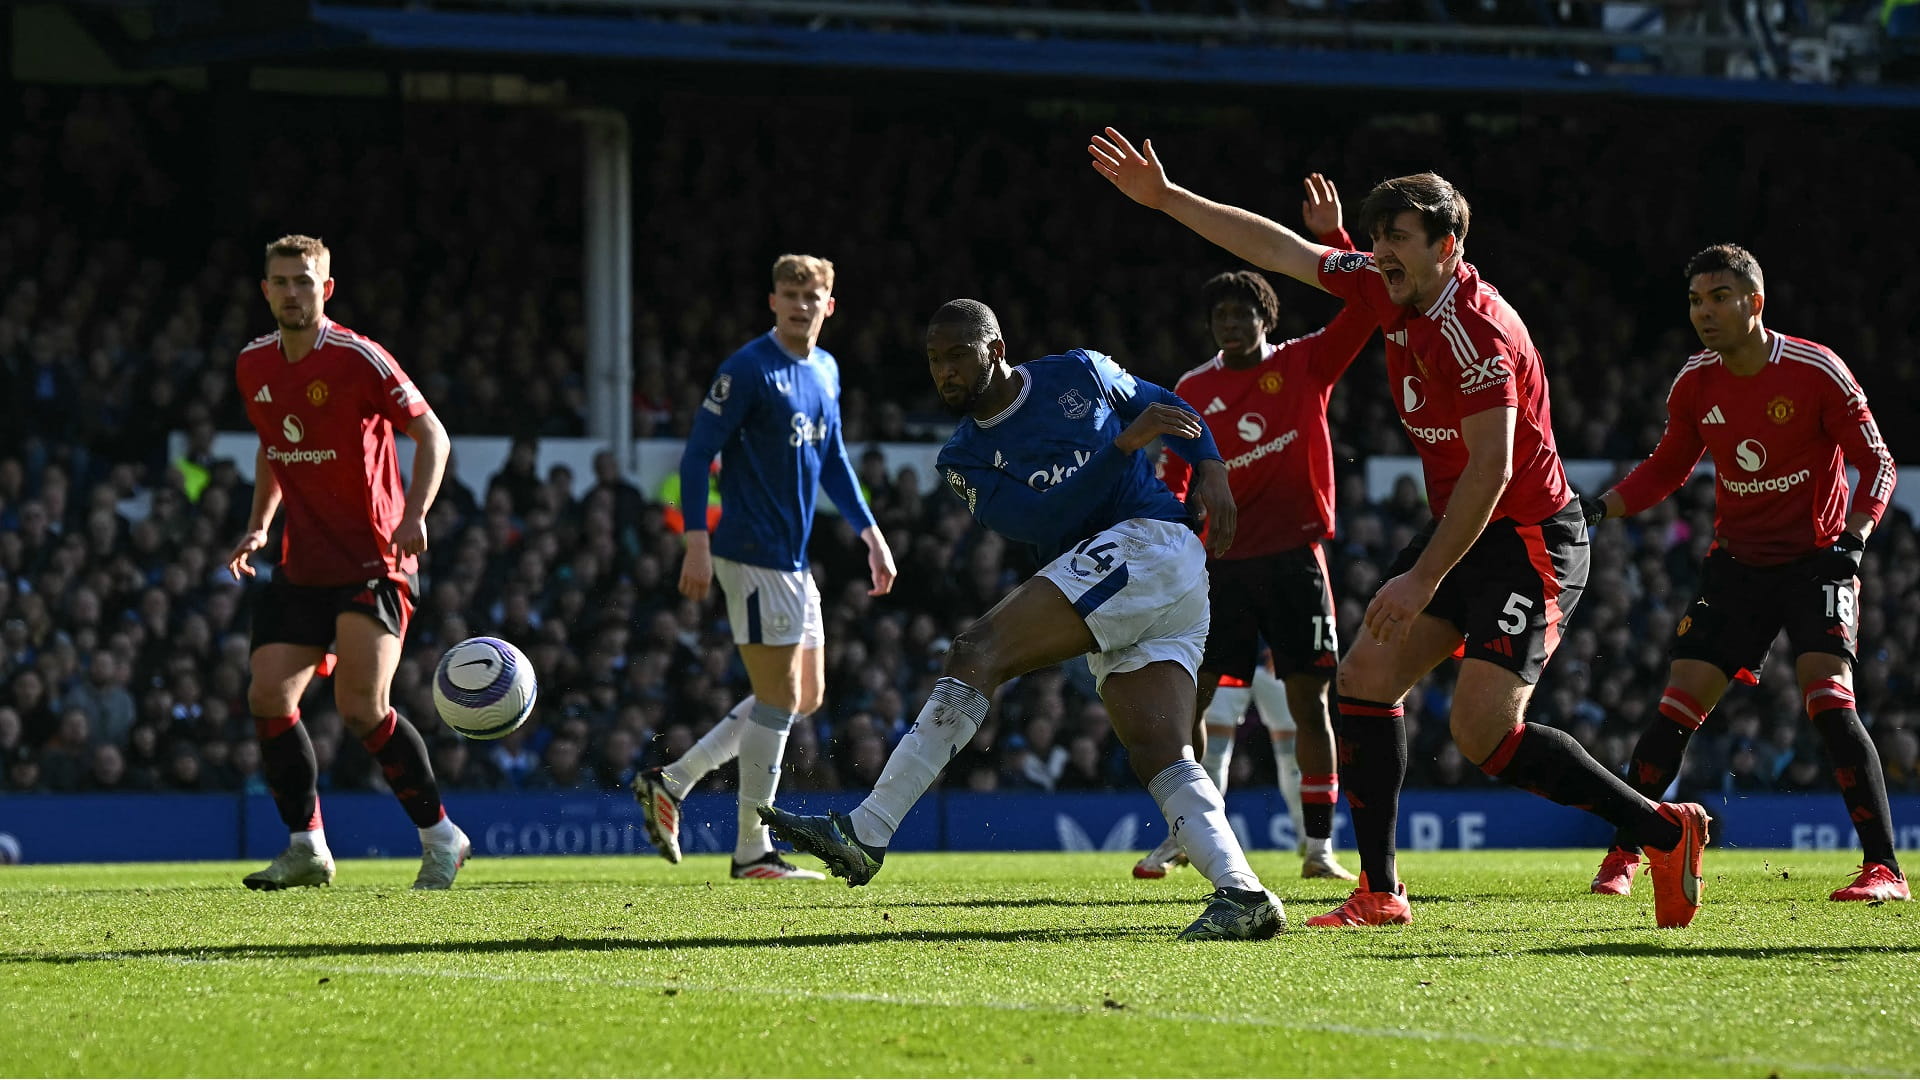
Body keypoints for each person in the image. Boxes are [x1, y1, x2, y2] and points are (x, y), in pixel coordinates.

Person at [1089, 127, 1710, 929]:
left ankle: (1665, 832)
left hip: (1528, 536)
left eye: (1399, 239)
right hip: (1463, 526)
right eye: (1376, 237)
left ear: (1450, 246)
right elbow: (1279, 251)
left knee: (1483, 733)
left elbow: (1491, 471)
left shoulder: (1484, 331)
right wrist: (1166, 197)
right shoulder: (1390, 288)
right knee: (1364, 681)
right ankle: (1380, 891)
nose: (1380, 253)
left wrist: (1421, 578)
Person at [762, 298, 1288, 942]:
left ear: (996, 348)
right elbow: (1041, 520)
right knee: (1160, 752)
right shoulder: (963, 459)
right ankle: (1245, 894)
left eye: (958, 355)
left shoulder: (1079, 372)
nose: (945, 372)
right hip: (1139, 579)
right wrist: (1123, 444)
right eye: (935, 361)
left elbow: (1165, 406)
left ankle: (866, 832)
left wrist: (1212, 467)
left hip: (1150, 543)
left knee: (976, 651)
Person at [1581, 244, 1906, 903]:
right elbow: (1668, 467)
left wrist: (1855, 541)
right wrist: (1599, 507)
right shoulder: (1695, 382)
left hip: (1818, 560)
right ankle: (1625, 853)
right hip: (1737, 567)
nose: (1704, 311)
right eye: (1696, 300)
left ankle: (1884, 870)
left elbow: (1879, 464)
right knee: (1676, 707)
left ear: (1755, 303)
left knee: (1827, 698)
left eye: (1719, 297)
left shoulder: (1817, 370)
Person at [633, 254, 896, 881]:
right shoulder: (749, 368)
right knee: (780, 699)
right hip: (751, 555)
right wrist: (697, 540)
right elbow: (697, 459)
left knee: (807, 696)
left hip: (795, 560)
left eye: (813, 295)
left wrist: (871, 532)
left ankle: (673, 780)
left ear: (829, 305)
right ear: (772, 302)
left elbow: (832, 461)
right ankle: (753, 848)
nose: (801, 304)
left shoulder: (827, 370)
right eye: (789, 293)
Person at [1135, 173, 1368, 883]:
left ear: (1267, 316)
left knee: (1310, 702)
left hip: (1296, 559)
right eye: (1221, 317)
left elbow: (1366, 305)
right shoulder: (1192, 391)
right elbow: (1175, 481)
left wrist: (1334, 240)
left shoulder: (1305, 364)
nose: (1232, 325)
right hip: (1221, 567)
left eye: (1245, 314)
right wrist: (1171, 535)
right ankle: (1187, 832)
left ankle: (1319, 848)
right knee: (1193, 697)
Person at [227, 234, 468, 890]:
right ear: (265, 290)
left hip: (373, 559)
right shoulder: (252, 364)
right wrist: (257, 527)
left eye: (305, 281)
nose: (292, 292)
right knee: (268, 694)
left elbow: (432, 433)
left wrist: (416, 514)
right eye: (281, 281)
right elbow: (273, 447)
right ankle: (307, 847)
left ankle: (441, 837)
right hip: (303, 562)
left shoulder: (357, 357)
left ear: (325, 289)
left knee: (361, 706)